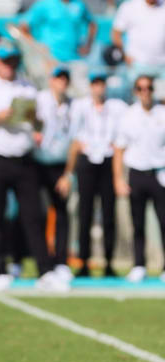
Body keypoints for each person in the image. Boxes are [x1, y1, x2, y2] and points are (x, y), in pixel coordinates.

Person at [0, 37, 69, 292]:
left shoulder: (27, 87)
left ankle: (44, 270)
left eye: (13, 60)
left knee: (34, 217)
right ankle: (0, 269)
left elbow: (40, 124)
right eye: (5, 60)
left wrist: (35, 122)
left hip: (24, 158)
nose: (10, 65)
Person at [57, 71, 127, 277]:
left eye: (101, 84)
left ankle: (108, 262)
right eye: (95, 83)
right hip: (87, 161)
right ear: (90, 86)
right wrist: (69, 171)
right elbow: (73, 136)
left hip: (107, 159)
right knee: (85, 213)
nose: (98, 88)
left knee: (108, 214)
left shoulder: (116, 107)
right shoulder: (80, 106)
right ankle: (83, 261)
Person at [113, 75, 165, 283]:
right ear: (135, 91)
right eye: (141, 88)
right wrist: (118, 179)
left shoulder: (162, 113)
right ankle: (139, 265)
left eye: (149, 88)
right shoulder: (128, 116)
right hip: (136, 173)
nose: (145, 92)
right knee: (138, 223)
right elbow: (119, 148)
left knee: (164, 222)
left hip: (159, 174)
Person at [33, 66, 74, 281]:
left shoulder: (72, 105)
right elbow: (29, 121)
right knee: (34, 213)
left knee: (61, 212)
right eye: (58, 78)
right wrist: (33, 132)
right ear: (51, 80)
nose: (62, 82)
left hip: (60, 164)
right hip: (38, 161)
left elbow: (75, 141)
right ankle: (33, 259)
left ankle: (60, 261)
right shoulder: (40, 99)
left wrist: (69, 174)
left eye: (65, 79)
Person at [19, 0, 97, 63]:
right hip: (50, 59)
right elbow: (23, 27)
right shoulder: (45, 4)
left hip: (74, 57)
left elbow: (92, 24)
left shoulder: (79, 4)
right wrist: (37, 47)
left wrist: (88, 45)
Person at [112, 0, 165, 84]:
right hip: (138, 65)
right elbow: (116, 33)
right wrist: (125, 56)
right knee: (138, 95)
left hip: (162, 65)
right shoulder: (129, 6)